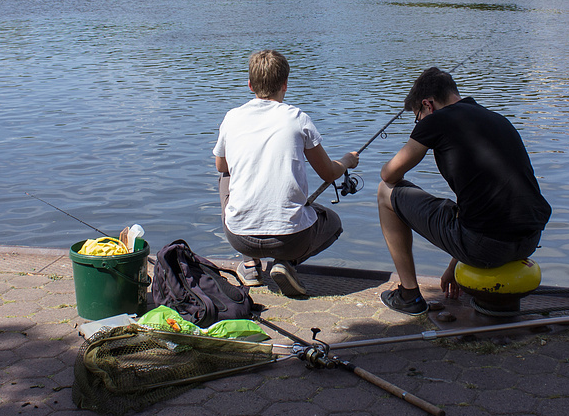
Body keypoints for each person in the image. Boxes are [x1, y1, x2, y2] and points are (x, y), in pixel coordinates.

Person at [376, 67, 551, 315]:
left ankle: (409, 296)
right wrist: (454, 265)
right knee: (462, 204)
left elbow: (389, 174)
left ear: (428, 104)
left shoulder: (437, 120)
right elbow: (483, 203)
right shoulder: (498, 120)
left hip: (485, 247)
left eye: (418, 116)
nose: (420, 122)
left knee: (385, 192)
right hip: (530, 239)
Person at [214, 50, 359, 297]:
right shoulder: (297, 118)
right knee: (333, 223)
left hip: (239, 236)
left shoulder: (232, 117)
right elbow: (328, 174)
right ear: (285, 85)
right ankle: (287, 264)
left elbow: (220, 166)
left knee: (226, 174)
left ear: (250, 85)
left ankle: (250, 266)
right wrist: (346, 161)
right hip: (292, 240)